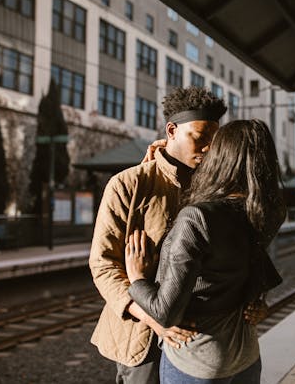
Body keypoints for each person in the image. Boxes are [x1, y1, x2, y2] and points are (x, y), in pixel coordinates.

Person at [125, 119, 286, 383]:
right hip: (245, 353)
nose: (206, 150)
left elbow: (166, 313)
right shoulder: (267, 212)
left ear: (223, 156)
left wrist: (137, 279)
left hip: (199, 359)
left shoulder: (197, 217)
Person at [89, 86, 227, 384]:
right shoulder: (127, 184)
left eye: (214, 141)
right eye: (200, 137)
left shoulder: (214, 190)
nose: (208, 148)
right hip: (142, 336)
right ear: (172, 130)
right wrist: (154, 318)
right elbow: (103, 265)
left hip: (199, 335)